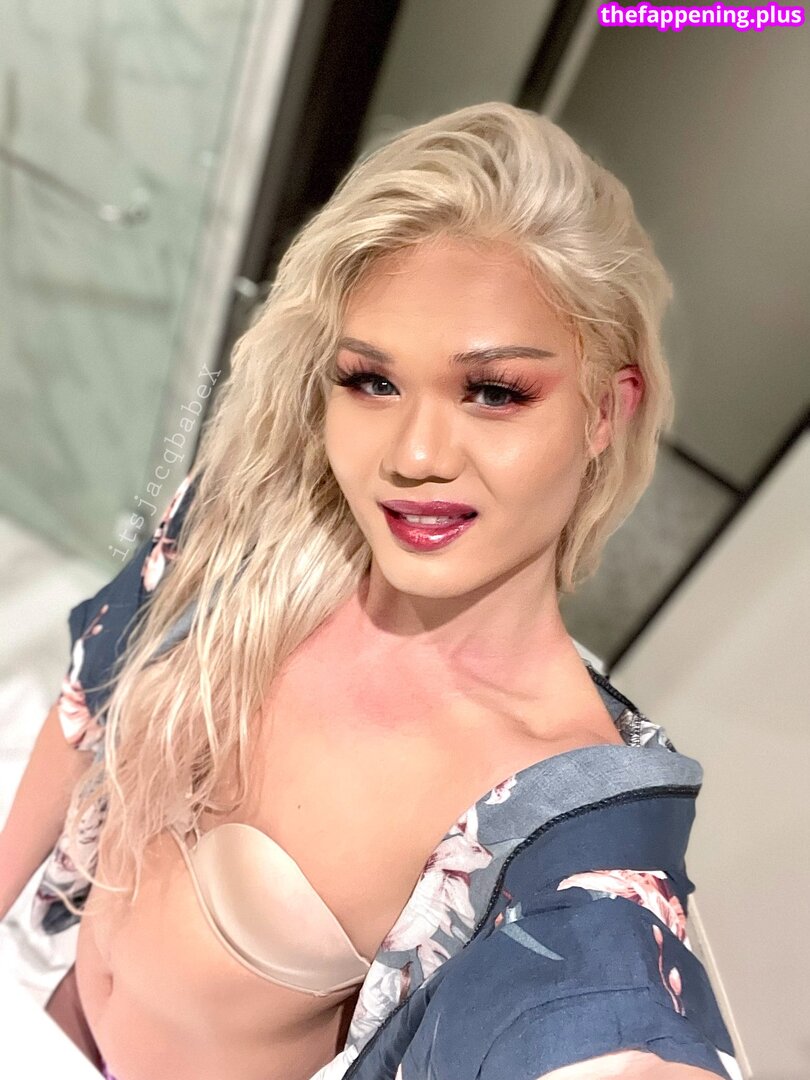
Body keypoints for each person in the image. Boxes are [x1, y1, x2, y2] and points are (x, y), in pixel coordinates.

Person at [0, 102, 742, 1080]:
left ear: (609, 408)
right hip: (37, 1003)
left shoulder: (551, 821)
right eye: (372, 381)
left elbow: (600, 1001)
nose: (415, 456)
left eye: (494, 392)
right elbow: (84, 707)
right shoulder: (246, 524)